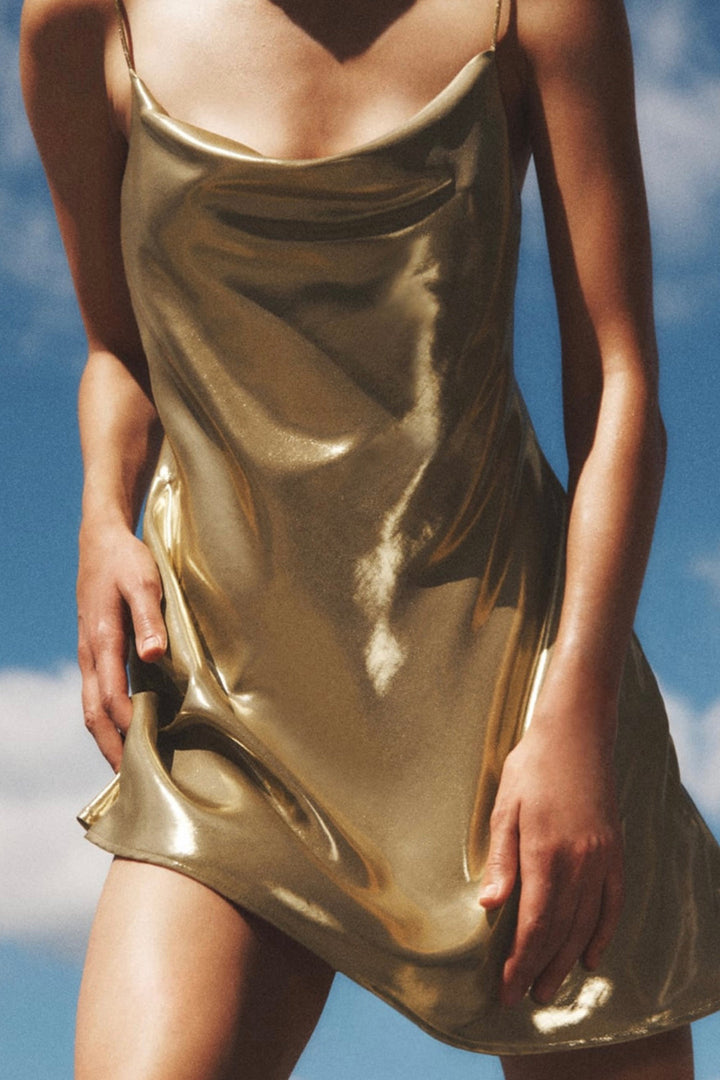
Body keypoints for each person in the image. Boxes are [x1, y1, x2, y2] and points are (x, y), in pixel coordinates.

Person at [19, 0, 720, 1077]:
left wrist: (575, 715)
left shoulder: (540, 11)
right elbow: (118, 351)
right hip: (230, 705)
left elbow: (619, 382)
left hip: (515, 714)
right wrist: (102, 525)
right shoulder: (89, 19)